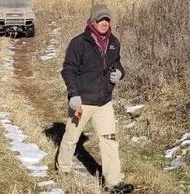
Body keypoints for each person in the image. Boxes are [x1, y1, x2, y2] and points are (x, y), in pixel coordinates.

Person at [56, 4, 134, 193]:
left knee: (109, 140)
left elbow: (117, 63)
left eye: (107, 19)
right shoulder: (79, 43)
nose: (104, 23)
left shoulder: (114, 42)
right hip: (81, 102)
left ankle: (114, 182)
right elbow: (69, 70)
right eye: (100, 19)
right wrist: (73, 94)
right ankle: (63, 169)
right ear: (92, 21)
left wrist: (120, 73)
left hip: (104, 102)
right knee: (71, 137)